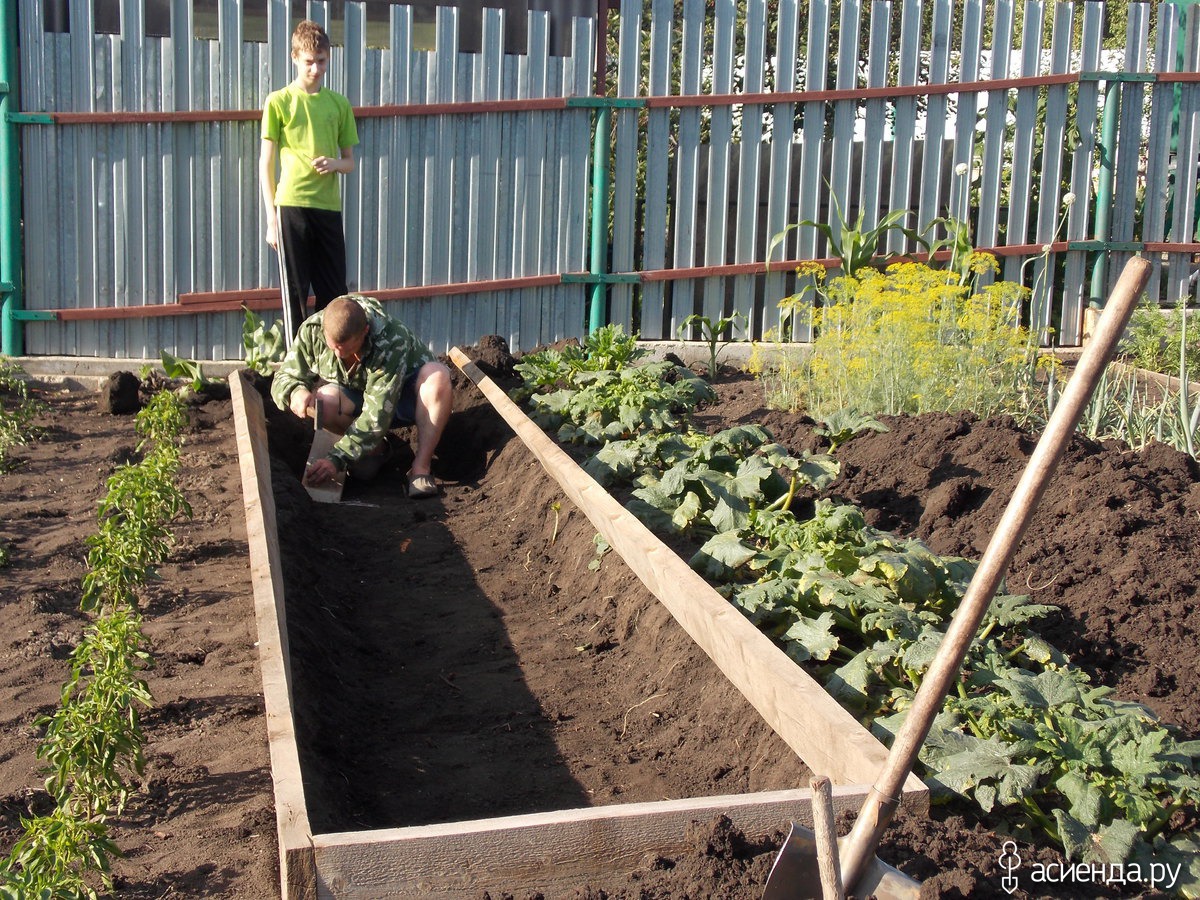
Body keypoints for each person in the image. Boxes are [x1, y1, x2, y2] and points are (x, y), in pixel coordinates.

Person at [270, 294, 452, 498]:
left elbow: (378, 413)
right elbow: (284, 376)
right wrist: (294, 391)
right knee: (325, 401)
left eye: (346, 348)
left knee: (438, 376)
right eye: (333, 347)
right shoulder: (313, 331)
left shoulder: (390, 339)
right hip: (362, 398)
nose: (338, 355)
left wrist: (336, 459)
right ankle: (378, 450)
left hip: (409, 400)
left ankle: (421, 468)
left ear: (365, 331)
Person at [260, 19, 359, 342]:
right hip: (291, 207)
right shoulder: (278, 102)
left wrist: (333, 163)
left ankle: (335, 361)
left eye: (321, 61)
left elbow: (349, 164)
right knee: (295, 293)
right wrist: (271, 220)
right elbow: (266, 163)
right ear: (294, 58)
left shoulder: (338, 104)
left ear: (328, 58)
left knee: (334, 292)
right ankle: (297, 364)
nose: (315, 69)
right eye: (308, 62)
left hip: (327, 208)